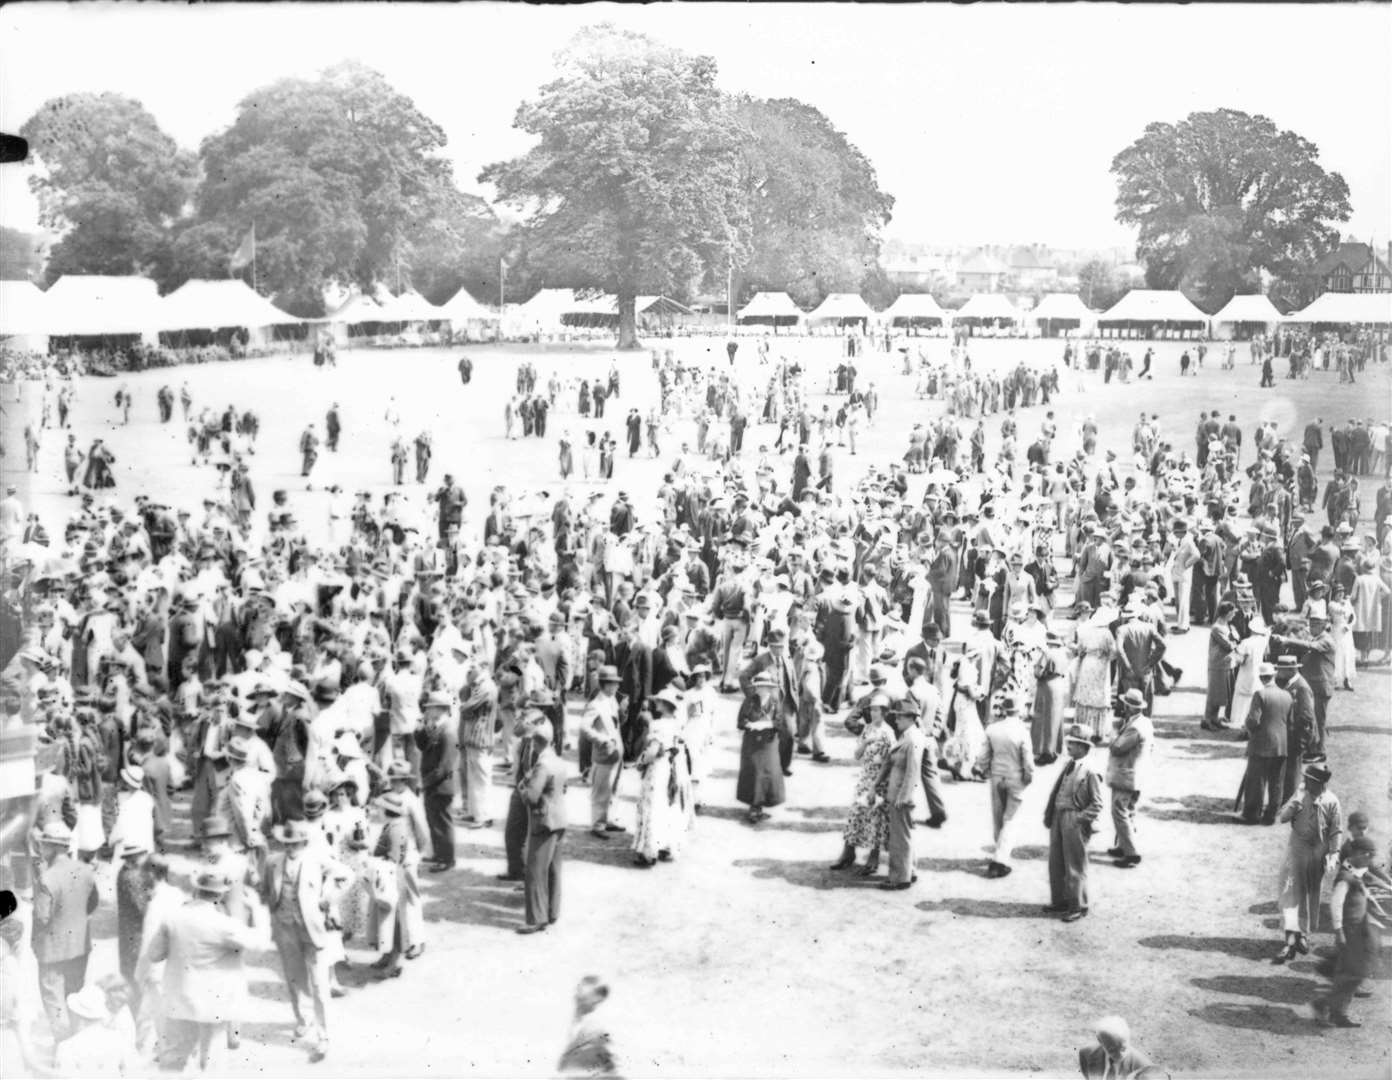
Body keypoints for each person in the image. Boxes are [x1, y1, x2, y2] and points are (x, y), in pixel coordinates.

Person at [136, 867, 260, 1073]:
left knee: (173, 1057)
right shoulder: (225, 924)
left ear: (196, 890)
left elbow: (154, 955)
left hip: (179, 999)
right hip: (213, 1004)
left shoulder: (172, 917)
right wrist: (256, 911)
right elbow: (256, 944)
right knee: (211, 1060)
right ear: (220, 894)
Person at [260, 819, 350, 1063]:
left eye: (295, 843)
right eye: (287, 843)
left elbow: (347, 875)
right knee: (293, 977)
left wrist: (328, 899)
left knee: (320, 985)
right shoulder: (272, 862)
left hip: (313, 929)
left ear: (303, 842)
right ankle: (303, 1019)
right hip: (285, 928)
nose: (290, 847)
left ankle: (324, 1037)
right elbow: (266, 891)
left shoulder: (315, 860)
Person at [31, 820, 99, 1043]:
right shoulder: (86, 870)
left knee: (54, 1000)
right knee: (73, 996)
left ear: (52, 847)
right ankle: (77, 1043)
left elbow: (42, 917)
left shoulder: (47, 878)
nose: (41, 848)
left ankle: (63, 1046)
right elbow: (93, 903)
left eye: (44, 845)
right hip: (79, 946)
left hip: (52, 951)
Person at [1313, 836, 1387, 1028]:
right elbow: (1336, 905)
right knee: (1353, 974)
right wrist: (1339, 932)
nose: (1370, 860)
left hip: (1359, 931)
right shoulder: (1345, 878)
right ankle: (1325, 1005)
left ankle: (1337, 1012)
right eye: (1369, 856)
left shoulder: (1355, 872)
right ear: (1360, 854)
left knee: (1356, 973)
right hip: (1350, 933)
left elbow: (1365, 888)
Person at [1273, 762, 1342, 963]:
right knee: (1291, 893)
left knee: (1311, 895)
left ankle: (1303, 934)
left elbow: (1336, 830)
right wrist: (1295, 802)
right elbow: (1283, 818)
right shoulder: (1299, 796)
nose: (1304, 782)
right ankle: (1290, 940)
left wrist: (1333, 853)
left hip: (1317, 854)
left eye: (1308, 780)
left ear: (1319, 783)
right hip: (1297, 850)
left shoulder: (1331, 801)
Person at [1043, 724, 1104, 922]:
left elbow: (1097, 803)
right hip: (1059, 816)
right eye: (1069, 742)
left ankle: (1078, 905)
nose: (1069, 745)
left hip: (1073, 818)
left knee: (1075, 864)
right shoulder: (1070, 764)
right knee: (1056, 861)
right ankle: (1060, 900)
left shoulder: (1090, 770)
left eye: (1074, 743)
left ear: (1084, 747)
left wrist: (1080, 819)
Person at [831, 690, 893, 877]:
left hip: (879, 781)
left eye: (877, 710)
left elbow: (889, 762)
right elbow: (857, 755)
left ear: (884, 712)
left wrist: (876, 785)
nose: (873, 714)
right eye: (872, 710)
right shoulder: (867, 729)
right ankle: (848, 853)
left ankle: (873, 858)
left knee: (875, 820)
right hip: (865, 778)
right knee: (856, 815)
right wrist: (865, 743)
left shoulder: (888, 733)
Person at [974, 694, 1034, 879]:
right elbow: (1028, 759)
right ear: (1019, 711)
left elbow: (983, 755)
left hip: (997, 776)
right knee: (1011, 819)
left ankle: (999, 851)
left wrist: (983, 769)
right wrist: (1028, 776)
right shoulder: (1023, 731)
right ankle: (999, 860)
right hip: (1015, 776)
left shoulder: (993, 729)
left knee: (998, 816)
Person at [873, 699, 928, 891]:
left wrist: (903, 797)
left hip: (903, 796)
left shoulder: (912, 739)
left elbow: (912, 771)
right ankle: (909, 871)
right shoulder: (907, 735)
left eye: (899, 717)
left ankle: (899, 878)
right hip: (900, 794)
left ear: (910, 718)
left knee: (899, 838)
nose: (896, 720)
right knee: (906, 835)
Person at [518, 722, 567, 934]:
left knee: (536, 870)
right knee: (554, 869)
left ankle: (537, 918)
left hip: (544, 821)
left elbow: (531, 796)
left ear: (536, 743)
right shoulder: (558, 761)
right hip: (559, 819)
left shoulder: (542, 765)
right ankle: (552, 911)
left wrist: (522, 787)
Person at [1239, 662, 1291, 825]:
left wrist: (1247, 726)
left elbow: (1253, 720)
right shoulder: (1286, 695)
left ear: (1261, 678)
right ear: (1274, 676)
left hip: (1261, 744)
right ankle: (1271, 816)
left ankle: (1252, 814)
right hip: (1281, 745)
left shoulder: (1260, 695)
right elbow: (1290, 721)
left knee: (1256, 781)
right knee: (1276, 782)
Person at [1106, 689, 1152, 868]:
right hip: (1136, 775)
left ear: (1130, 707)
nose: (1123, 706)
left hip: (1127, 775)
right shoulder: (1145, 722)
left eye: (1125, 704)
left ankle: (1131, 853)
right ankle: (1123, 845)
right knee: (1128, 811)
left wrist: (1113, 732)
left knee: (1119, 812)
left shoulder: (1134, 727)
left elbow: (1117, 747)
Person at [416, 691, 459, 873]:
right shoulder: (436, 727)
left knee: (442, 822)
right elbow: (422, 745)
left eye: (430, 708)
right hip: (433, 785)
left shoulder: (448, 732)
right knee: (433, 820)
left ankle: (447, 858)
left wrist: (423, 783)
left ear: (441, 709)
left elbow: (444, 768)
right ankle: (439, 854)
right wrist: (420, 729)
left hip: (441, 785)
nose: (426, 711)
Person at [735, 671, 785, 824]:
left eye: (766, 687)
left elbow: (780, 723)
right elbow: (740, 721)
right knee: (754, 772)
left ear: (770, 688)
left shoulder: (776, 702)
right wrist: (750, 725)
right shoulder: (749, 701)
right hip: (752, 743)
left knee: (769, 773)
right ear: (756, 688)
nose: (762, 690)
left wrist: (767, 724)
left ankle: (762, 804)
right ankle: (754, 806)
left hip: (769, 743)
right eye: (759, 687)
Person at [558, 975, 620, 1077]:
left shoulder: (598, 1028)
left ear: (598, 998)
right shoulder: (573, 1024)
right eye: (578, 989)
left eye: (582, 993)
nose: (576, 994)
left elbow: (612, 1066)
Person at [1078, 1015, 1158, 1079]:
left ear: (1128, 1038)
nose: (1120, 1055)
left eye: (1123, 1048)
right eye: (1112, 1050)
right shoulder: (1086, 1054)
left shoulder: (1143, 1067)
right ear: (1100, 1042)